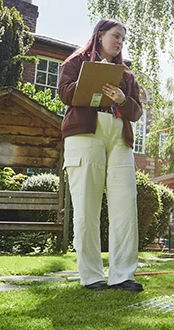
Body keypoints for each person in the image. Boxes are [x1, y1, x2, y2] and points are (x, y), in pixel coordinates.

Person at [58, 19, 144, 292]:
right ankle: (92, 275)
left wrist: (121, 98)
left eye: (123, 39)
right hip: (86, 133)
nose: (119, 42)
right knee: (87, 204)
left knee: (125, 203)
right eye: (115, 36)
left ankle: (123, 275)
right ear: (100, 35)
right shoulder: (74, 62)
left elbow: (137, 112)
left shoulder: (127, 75)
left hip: (118, 135)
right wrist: (91, 84)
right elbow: (65, 92)